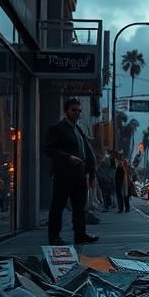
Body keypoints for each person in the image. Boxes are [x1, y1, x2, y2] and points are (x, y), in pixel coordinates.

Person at [44, 98, 98, 246]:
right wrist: (67, 157)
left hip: (79, 175)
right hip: (63, 174)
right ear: (66, 111)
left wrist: (91, 170)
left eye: (79, 111)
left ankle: (80, 235)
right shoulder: (58, 128)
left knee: (79, 207)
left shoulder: (78, 129)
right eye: (74, 110)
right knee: (58, 206)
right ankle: (54, 236)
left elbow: (85, 151)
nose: (77, 113)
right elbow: (48, 149)